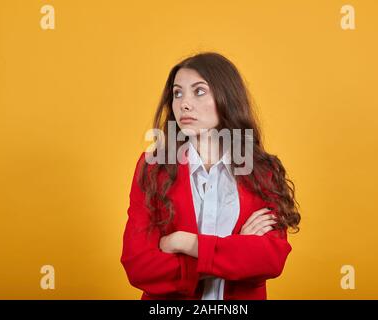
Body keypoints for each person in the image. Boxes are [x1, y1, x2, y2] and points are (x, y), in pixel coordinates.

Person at [120, 52, 301, 300]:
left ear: (226, 97)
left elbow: (269, 259)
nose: (184, 103)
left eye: (199, 91)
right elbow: (139, 266)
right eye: (177, 93)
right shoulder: (153, 168)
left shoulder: (261, 170)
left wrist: (185, 242)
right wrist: (234, 249)